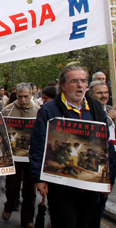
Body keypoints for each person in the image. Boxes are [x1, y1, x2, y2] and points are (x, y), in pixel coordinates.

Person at [29, 65, 116, 228]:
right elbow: (38, 145)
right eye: (74, 81)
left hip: (90, 187)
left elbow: (108, 144)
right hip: (61, 186)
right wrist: (38, 178)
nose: (80, 85)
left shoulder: (96, 108)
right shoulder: (49, 110)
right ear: (63, 85)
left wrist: (109, 178)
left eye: (83, 81)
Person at [1, 83, 39, 228]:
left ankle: (28, 219)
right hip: (14, 157)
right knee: (12, 187)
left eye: (26, 96)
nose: (23, 100)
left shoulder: (38, 111)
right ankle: (10, 204)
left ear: (31, 95)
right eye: (20, 96)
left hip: (31, 158)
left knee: (30, 190)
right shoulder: (7, 111)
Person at [88, 80, 116, 227]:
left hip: (110, 163)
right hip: (94, 165)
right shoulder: (87, 113)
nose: (104, 96)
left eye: (106, 93)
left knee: (99, 208)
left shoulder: (112, 110)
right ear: (91, 95)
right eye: (100, 93)